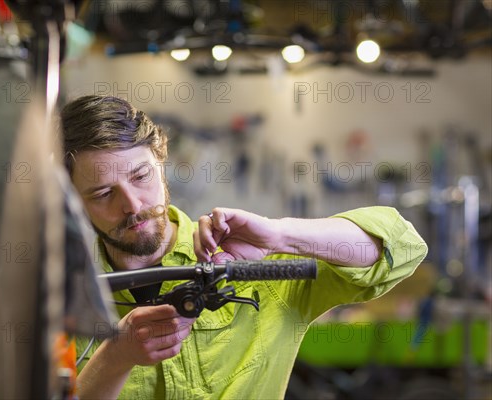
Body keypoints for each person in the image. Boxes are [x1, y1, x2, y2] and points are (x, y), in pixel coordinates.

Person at [60, 95, 428, 399]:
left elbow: (401, 247)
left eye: (141, 176)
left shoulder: (250, 263)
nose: (133, 205)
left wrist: (280, 235)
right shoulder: (59, 299)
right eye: (104, 193)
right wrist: (115, 360)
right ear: (72, 201)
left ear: (161, 158)